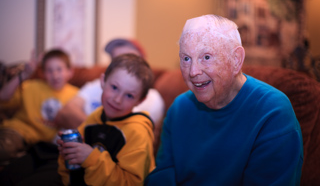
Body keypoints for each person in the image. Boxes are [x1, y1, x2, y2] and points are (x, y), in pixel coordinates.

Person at [145, 14, 303, 185]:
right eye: (186, 58)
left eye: (206, 57)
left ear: (236, 60)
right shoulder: (180, 107)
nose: (193, 71)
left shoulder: (273, 113)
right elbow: (162, 175)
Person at [57, 54, 155, 185]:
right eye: (114, 87)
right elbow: (70, 173)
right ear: (103, 82)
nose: (117, 99)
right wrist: (68, 153)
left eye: (129, 95)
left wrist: (92, 159)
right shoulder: (95, 117)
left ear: (140, 100)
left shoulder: (137, 132)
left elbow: (132, 182)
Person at [54, 39, 165, 148]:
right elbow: (65, 113)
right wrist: (99, 133)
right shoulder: (97, 85)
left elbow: (142, 140)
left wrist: (97, 137)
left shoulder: (152, 98)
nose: (117, 99)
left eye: (128, 58)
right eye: (116, 60)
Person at [0, 49, 78, 167]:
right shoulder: (32, 86)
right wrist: (24, 75)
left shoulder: (77, 96)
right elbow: (3, 97)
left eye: (59, 69)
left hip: (45, 146)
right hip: (18, 132)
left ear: (70, 72)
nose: (55, 75)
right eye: (49, 70)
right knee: (3, 150)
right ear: (42, 73)